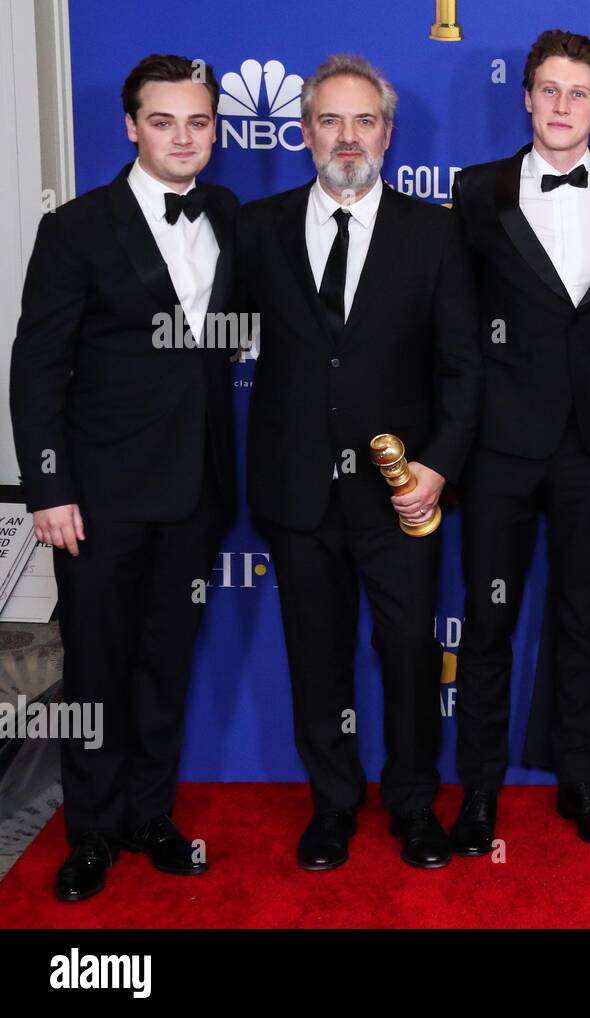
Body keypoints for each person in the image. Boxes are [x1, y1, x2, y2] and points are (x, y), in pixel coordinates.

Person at [237, 54, 482, 871]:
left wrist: (438, 470)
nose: (348, 138)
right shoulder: (258, 227)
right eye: (331, 122)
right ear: (305, 132)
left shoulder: (436, 232)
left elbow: (463, 368)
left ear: (388, 131)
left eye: (364, 121)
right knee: (316, 655)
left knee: (411, 653)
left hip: (401, 495)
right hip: (297, 488)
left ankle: (414, 805)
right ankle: (332, 806)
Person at [10, 54, 238, 901]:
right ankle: (92, 834)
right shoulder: (75, 228)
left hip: (197, 490)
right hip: (98, 498)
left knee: (164, 665)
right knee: (98, 671)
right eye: (165, 121)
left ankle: (150, 817)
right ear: (131, 126)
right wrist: (47, 487)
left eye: (199, 122)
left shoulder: (226, 212)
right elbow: (36, 368)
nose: (185, 137)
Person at [450, 29, 590, 852]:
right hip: (500, 446)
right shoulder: (476, 191)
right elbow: (453, 326)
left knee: (588, 619)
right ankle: (478, 796)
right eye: (548, 90)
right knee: (487, 624)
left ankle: (585, 782)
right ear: (526, 97)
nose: (563, 106)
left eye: (578, 93)